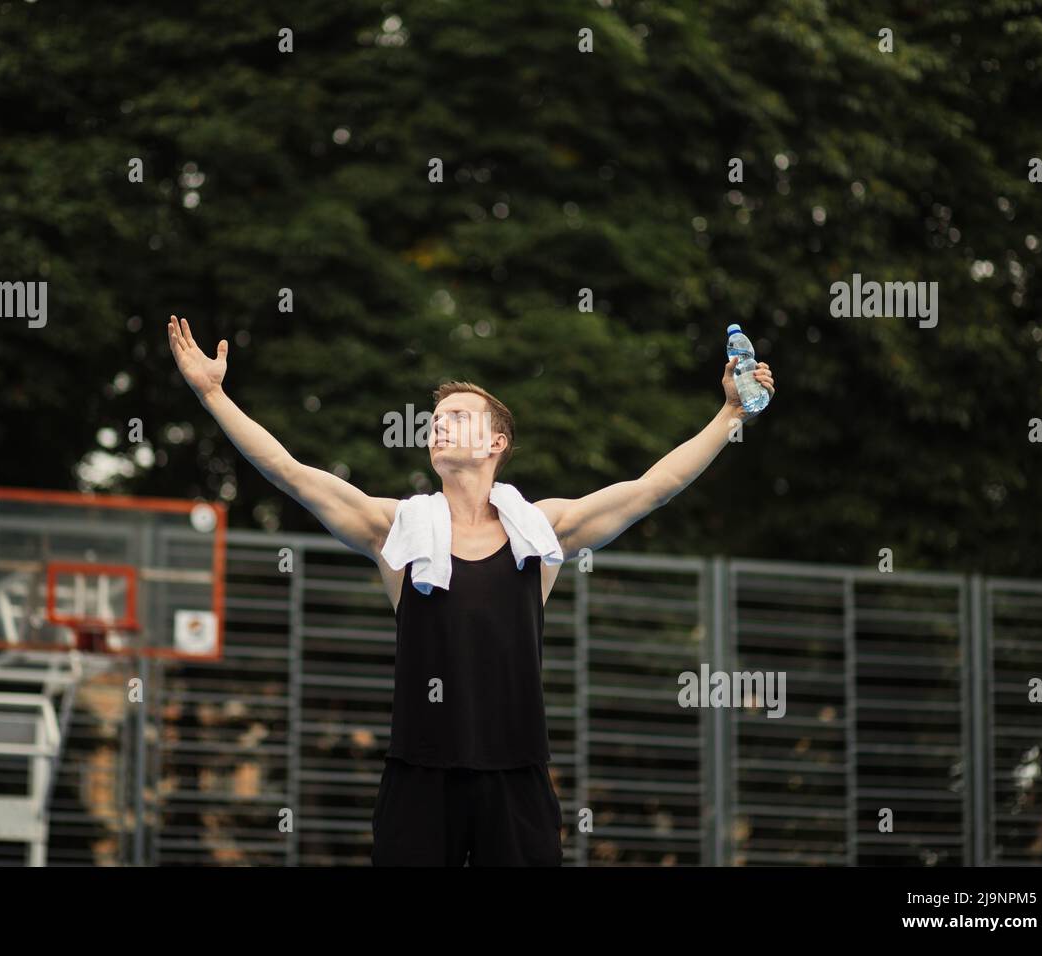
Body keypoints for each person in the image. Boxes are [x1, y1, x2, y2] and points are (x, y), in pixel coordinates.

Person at [166, 314, 776, 865]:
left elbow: (652, 487)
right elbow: (291, 474)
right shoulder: (397, 532)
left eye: (459, 417)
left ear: (496, 443)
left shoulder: (541, 532)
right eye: (436, 420)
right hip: (417, 777)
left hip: (517, 778)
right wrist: (213, 395)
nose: (440, 426)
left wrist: (729, 415)